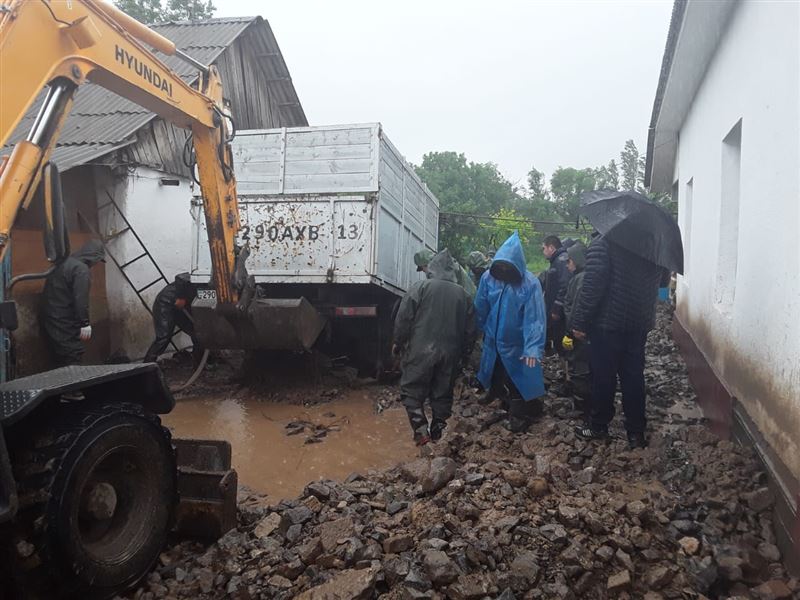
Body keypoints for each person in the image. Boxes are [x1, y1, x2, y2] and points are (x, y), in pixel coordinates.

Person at [571, 234, 670, 449]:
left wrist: (580, 322)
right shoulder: (652, 242)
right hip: (639, 323)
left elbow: (592, 286)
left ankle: (598, 426)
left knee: (603, 377)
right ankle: (636, 433)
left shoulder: (603, 243)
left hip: (608, 324)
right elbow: (663, 280)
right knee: (634, 377)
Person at [394, 250, 476, 445]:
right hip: (451, 352)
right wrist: (464, 354)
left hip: (421, 350)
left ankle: (421, 432)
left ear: (432, 268)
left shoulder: (420, 288)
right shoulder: (464, 295)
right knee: (442, 392)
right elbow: (470, 330)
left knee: (412, 390)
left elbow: (403, 318)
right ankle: (439, 430)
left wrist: (398, 342)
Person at [475, 232, 547, 433]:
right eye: (502, 265)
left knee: (518, 379)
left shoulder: (529, 284)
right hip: (493, 339)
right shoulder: (489, 278)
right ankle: (500, 399)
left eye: (509, 266)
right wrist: (479, 329)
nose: (505, 270)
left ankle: (519, 415)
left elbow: (535, 318)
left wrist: (533, 348)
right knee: (495, 372)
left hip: (517, 344)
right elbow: (481, 305)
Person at [42, 239, 105, 367]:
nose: (97, 264)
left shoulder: (64, 262)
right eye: (98, 260)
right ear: (94, 257)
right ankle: (73, 385)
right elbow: (80, 299)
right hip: (64, 320)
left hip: (51, 317)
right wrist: (85, 323)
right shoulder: (81, 270)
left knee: (58, 356)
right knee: (72, 354)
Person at [143, 273, 200, 364]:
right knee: (164, 336)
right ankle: (146, 366)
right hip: (165, 303)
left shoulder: (215, 291)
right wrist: (181, 297)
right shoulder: (201, 278)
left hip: (181, 309)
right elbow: (180, 278)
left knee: (197, 332)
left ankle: (198, 363)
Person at [560, 242, 591, 406]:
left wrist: (570, 332)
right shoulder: (582, 277)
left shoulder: (581, 279)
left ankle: (583, 408)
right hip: (582, 332)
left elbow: (576, 307)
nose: (567, 265)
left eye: (569, 261)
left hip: (579, 333)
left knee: (580, 367)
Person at [541, 235, 571, 355]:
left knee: (561, 339)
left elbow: (565, 285)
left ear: (551, 247)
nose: (543, 252)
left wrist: (557, 307)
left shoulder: (561, 261)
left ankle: (568, 369)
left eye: (544, 248)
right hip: (557, 308)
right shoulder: (557, 261)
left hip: (561, 311)